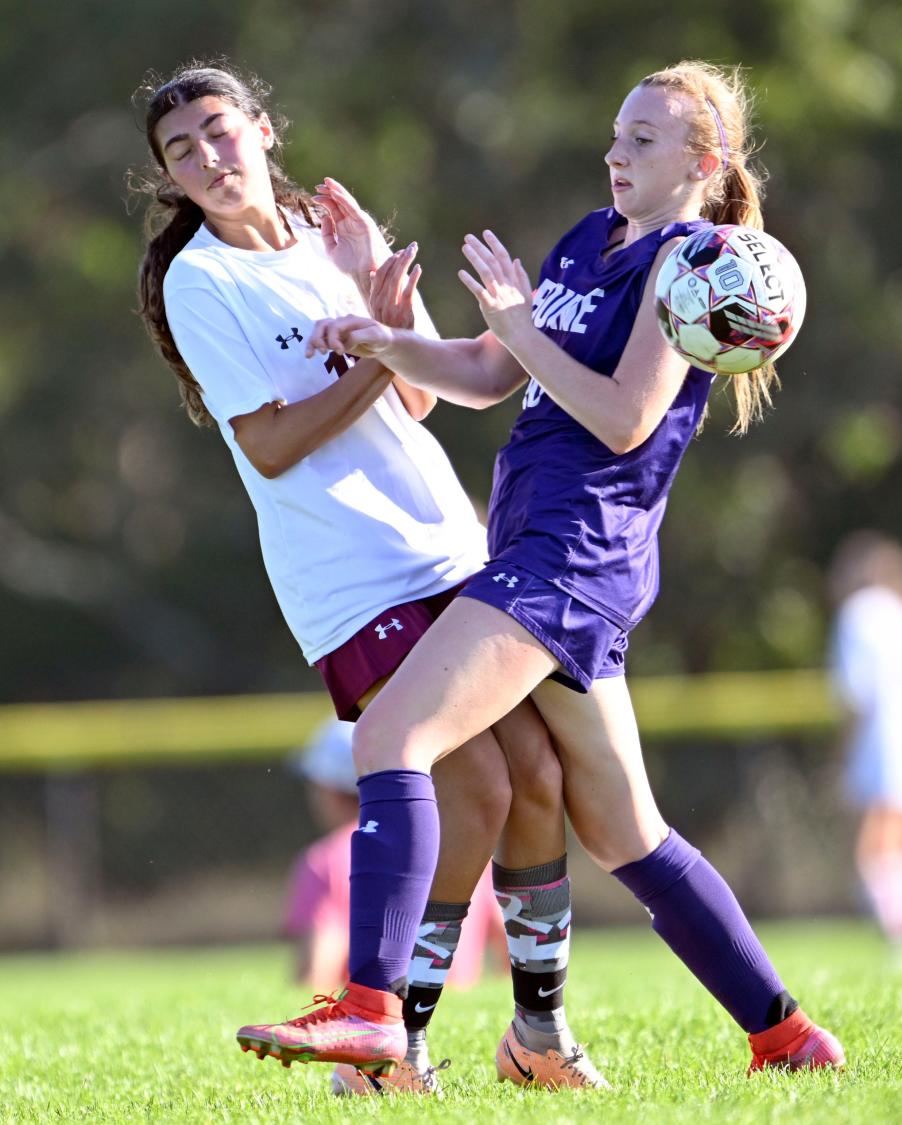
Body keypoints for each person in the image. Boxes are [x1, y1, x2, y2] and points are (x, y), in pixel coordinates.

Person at [238, 59, 846, 1077]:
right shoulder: (588, 240)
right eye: (616, 132)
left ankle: (373, 1011)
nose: (616, 151)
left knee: (391, 736)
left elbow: (622, 418)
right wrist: (389, 341)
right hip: (544, 559)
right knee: (627, 834)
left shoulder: (690, 264)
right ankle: (786, 1035)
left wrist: (522, 327)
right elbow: (485, 374)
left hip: (569, 562)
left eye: (644, 139)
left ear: (703, 161)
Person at [133, 63, 602, 1094]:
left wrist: (389, 315)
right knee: (473, 787)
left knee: (536, 781)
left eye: (220, 132)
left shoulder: (326, 231)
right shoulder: (202, 282)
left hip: (446, 544)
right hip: (353, 575)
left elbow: (423, 401)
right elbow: (268, 445)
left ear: (262, 129)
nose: (210, 159)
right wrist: (387, 354)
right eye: (182, 151)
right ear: (167, 177)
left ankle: (537, 1035)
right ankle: (386, 1050)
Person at [285, 718, 506, 1002]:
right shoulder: (451, 846)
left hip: (380, 1012)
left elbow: (316, 974)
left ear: (331, 790)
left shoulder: (326, 859)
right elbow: (507, 945)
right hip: (447, 1001)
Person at [827, 530, 902, 950]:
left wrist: (843, 751)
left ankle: (901, 931)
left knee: (877, 841)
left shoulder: (858, 614)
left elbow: (856, 693)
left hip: (883, 738)